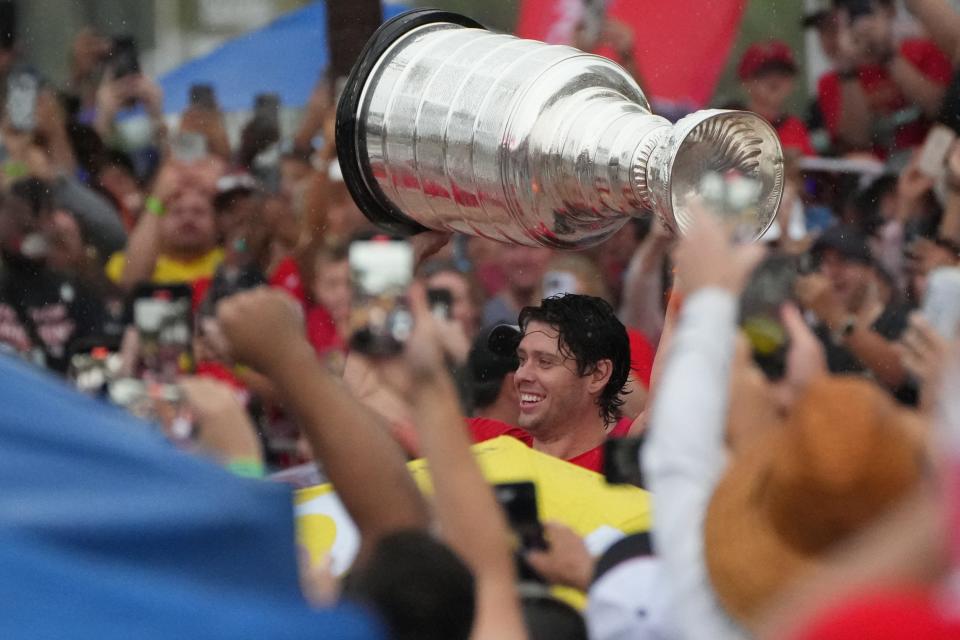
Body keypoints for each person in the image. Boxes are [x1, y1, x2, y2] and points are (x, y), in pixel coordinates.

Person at [470, 293, 633, 473]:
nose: (521, 375)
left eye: (545, 362)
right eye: (522, 360)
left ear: (597, 374)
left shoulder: (628, 474)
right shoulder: (485, 442)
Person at [819, 0, 953, 160]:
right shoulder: (833, 80)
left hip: (930, 161)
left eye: (865, 11)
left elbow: (941, 109)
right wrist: (847, 69)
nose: (861, 23)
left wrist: (888, 55)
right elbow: (855, 140)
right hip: (878, 176)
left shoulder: (923, 51)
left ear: (890, 11)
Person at [796, 224, 914, 400]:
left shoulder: (901, 320)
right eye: (825, 263)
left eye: (843, 261)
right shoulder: (818, 335)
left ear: (870, 271)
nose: (833, 273)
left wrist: (837, 317)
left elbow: (897, 374)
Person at [0, 182, 105, 373]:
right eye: (14, 217)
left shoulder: (78, 292)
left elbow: (95, 360)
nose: (28, 224)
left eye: (37, 220)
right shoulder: (5, 287)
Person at [737, 41, 816, 156]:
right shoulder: (727, 123)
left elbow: (813, 170)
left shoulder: (796, 128)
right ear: (745, 81)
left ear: (792, 82)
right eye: (763, 73)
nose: (774, 80)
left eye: (783, 72)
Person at [481, 244, 552, 327]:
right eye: (512, 246)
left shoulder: (566, 310)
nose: (522, 258)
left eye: (533, 246)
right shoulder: (489, 316)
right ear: (498, 254)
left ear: (551, 251)